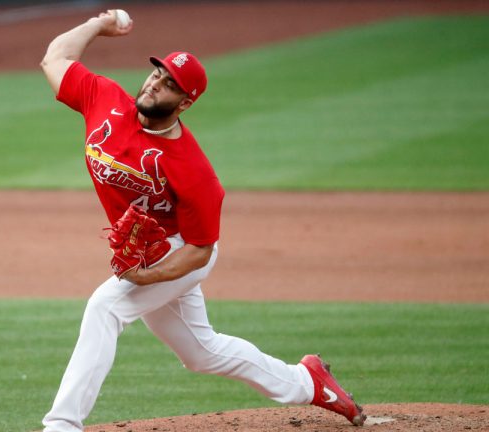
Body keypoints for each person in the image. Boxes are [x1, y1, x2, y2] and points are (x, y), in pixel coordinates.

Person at [39, 10, 365, 432]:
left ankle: (62, 424)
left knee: (106, 306)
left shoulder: (194, 171)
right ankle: (309, 382)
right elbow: (55, 59)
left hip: (181, 250)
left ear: (185, 103)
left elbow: (200, 250)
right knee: (201, 352)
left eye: (171, 84)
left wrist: (147, 275)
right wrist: (97, 27)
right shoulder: (104, 99)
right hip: (154, 253)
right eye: (158, 75)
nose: (157, 83)